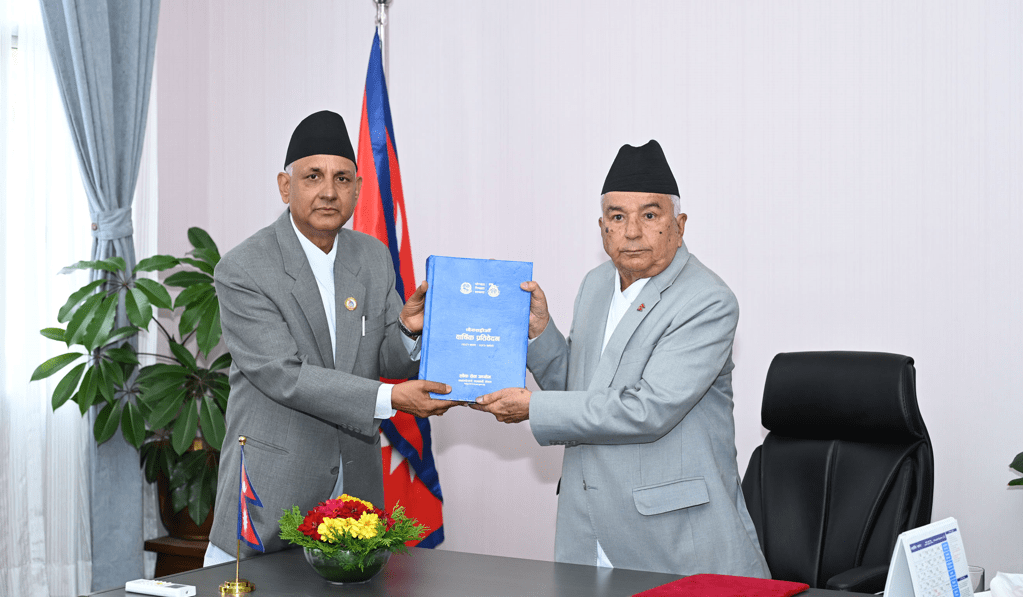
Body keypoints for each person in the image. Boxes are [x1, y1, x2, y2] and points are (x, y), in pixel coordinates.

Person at [473, 140, 770, 577]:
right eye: (617, 217)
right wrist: (539, 332)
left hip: (671, 539)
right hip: (586, 527)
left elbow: (647, 409)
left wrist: (533, 408)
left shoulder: (707, 300)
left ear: (679, 225)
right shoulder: (596, 284)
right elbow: (581, 394)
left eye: (649, 215)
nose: (631, 232)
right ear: (602, 228)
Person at [205, 110, 457, 564]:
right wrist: (390, 398)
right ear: (285, 186)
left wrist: (407, 329)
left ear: (357, 189)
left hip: (355, 495)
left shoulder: (372, 256)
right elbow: (286, 377)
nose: (328, 191)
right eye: (313, 176)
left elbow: (386, 359)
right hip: (269, 498)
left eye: (342, 179)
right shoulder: (243, 269)